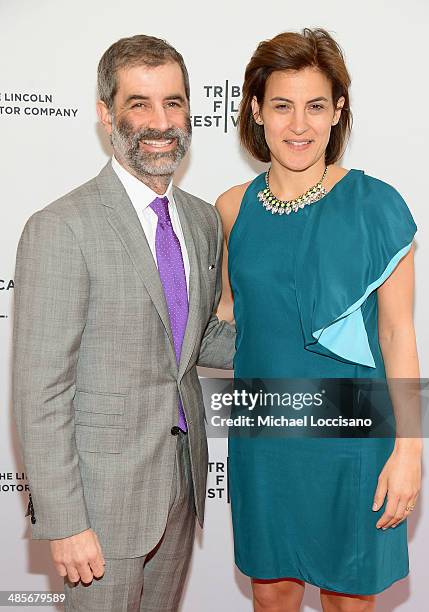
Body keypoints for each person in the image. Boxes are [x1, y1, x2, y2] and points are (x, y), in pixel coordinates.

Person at [12, 34, 235, 611]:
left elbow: (194, 338)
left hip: (181, 490)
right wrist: (63, 521)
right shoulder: (61, 227)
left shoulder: (203, 220)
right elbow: (40, 391)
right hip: (101, 507)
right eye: (140, 103)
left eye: (175, 102)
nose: (161, 122)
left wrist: (299, 337)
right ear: (105, 115)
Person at [216, 28, 422, 612]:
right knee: (272, 594)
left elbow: (397, 334)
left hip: (355, 441)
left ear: (338, 113)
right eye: (281, 106)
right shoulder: (233, 208)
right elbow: (228, 323)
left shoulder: (375, 205)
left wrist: (409, 451)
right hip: (265, 438)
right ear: (257, 111)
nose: (298, 125)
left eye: (315, 106)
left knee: (349, 600)